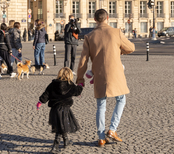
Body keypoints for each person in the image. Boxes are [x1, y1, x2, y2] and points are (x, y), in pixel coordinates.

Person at [76, 9, 135, 147]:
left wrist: (80, 79)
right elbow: (131, 48)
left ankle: (101, 137)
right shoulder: (116, 32)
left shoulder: (89, 37)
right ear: (107, 18)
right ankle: (112, 130)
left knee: (101, 106)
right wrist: (119, 50)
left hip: (99, 74)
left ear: (95, 19)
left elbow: (83, 61)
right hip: (116, 73)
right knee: (121, 99)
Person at [37, 67, 83, 153]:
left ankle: (66, 141)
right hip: (65, 109)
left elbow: (46, 94)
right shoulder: (70, 84)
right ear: (70, 75)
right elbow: (77, 91)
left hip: (55, 109)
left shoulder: (53, 84)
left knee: (61, 125)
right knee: (60, 127)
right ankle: (55, 146)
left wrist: (40, 102)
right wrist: (80, 85)